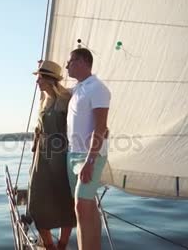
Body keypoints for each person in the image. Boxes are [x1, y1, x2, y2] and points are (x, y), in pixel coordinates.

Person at [27, 60, 76, 250]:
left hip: (61, 155)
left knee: (64, 199)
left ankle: (62, 245)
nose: (37, 82)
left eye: (39, 78)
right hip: (42, 154)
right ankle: (48, 245)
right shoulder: (44, 100)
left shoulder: (67, 99)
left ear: (49, 79)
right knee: (36, 200)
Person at [65, 48, 110, 250]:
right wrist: (43, 71)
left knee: (81, 206)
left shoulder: (97, 88)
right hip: (73, 155)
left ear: (83, 61)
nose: (67, 65)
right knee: (87, 207)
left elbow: (100, 126)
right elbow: (55, 88)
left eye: (71, 61)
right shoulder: (78, 89)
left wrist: (90, 160)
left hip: (90, 156)